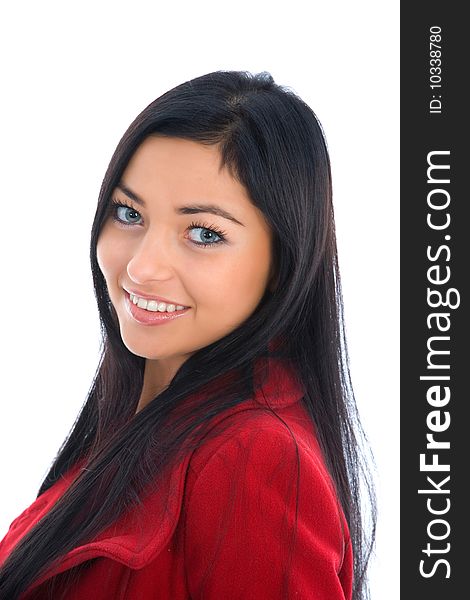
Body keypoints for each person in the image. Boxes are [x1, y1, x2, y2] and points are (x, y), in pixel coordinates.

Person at [0, 70, 376, 599]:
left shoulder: (252, 457)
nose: (142, 269)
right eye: (129, 213)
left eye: (203, 233)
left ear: (282, 263)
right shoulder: (139, 415)